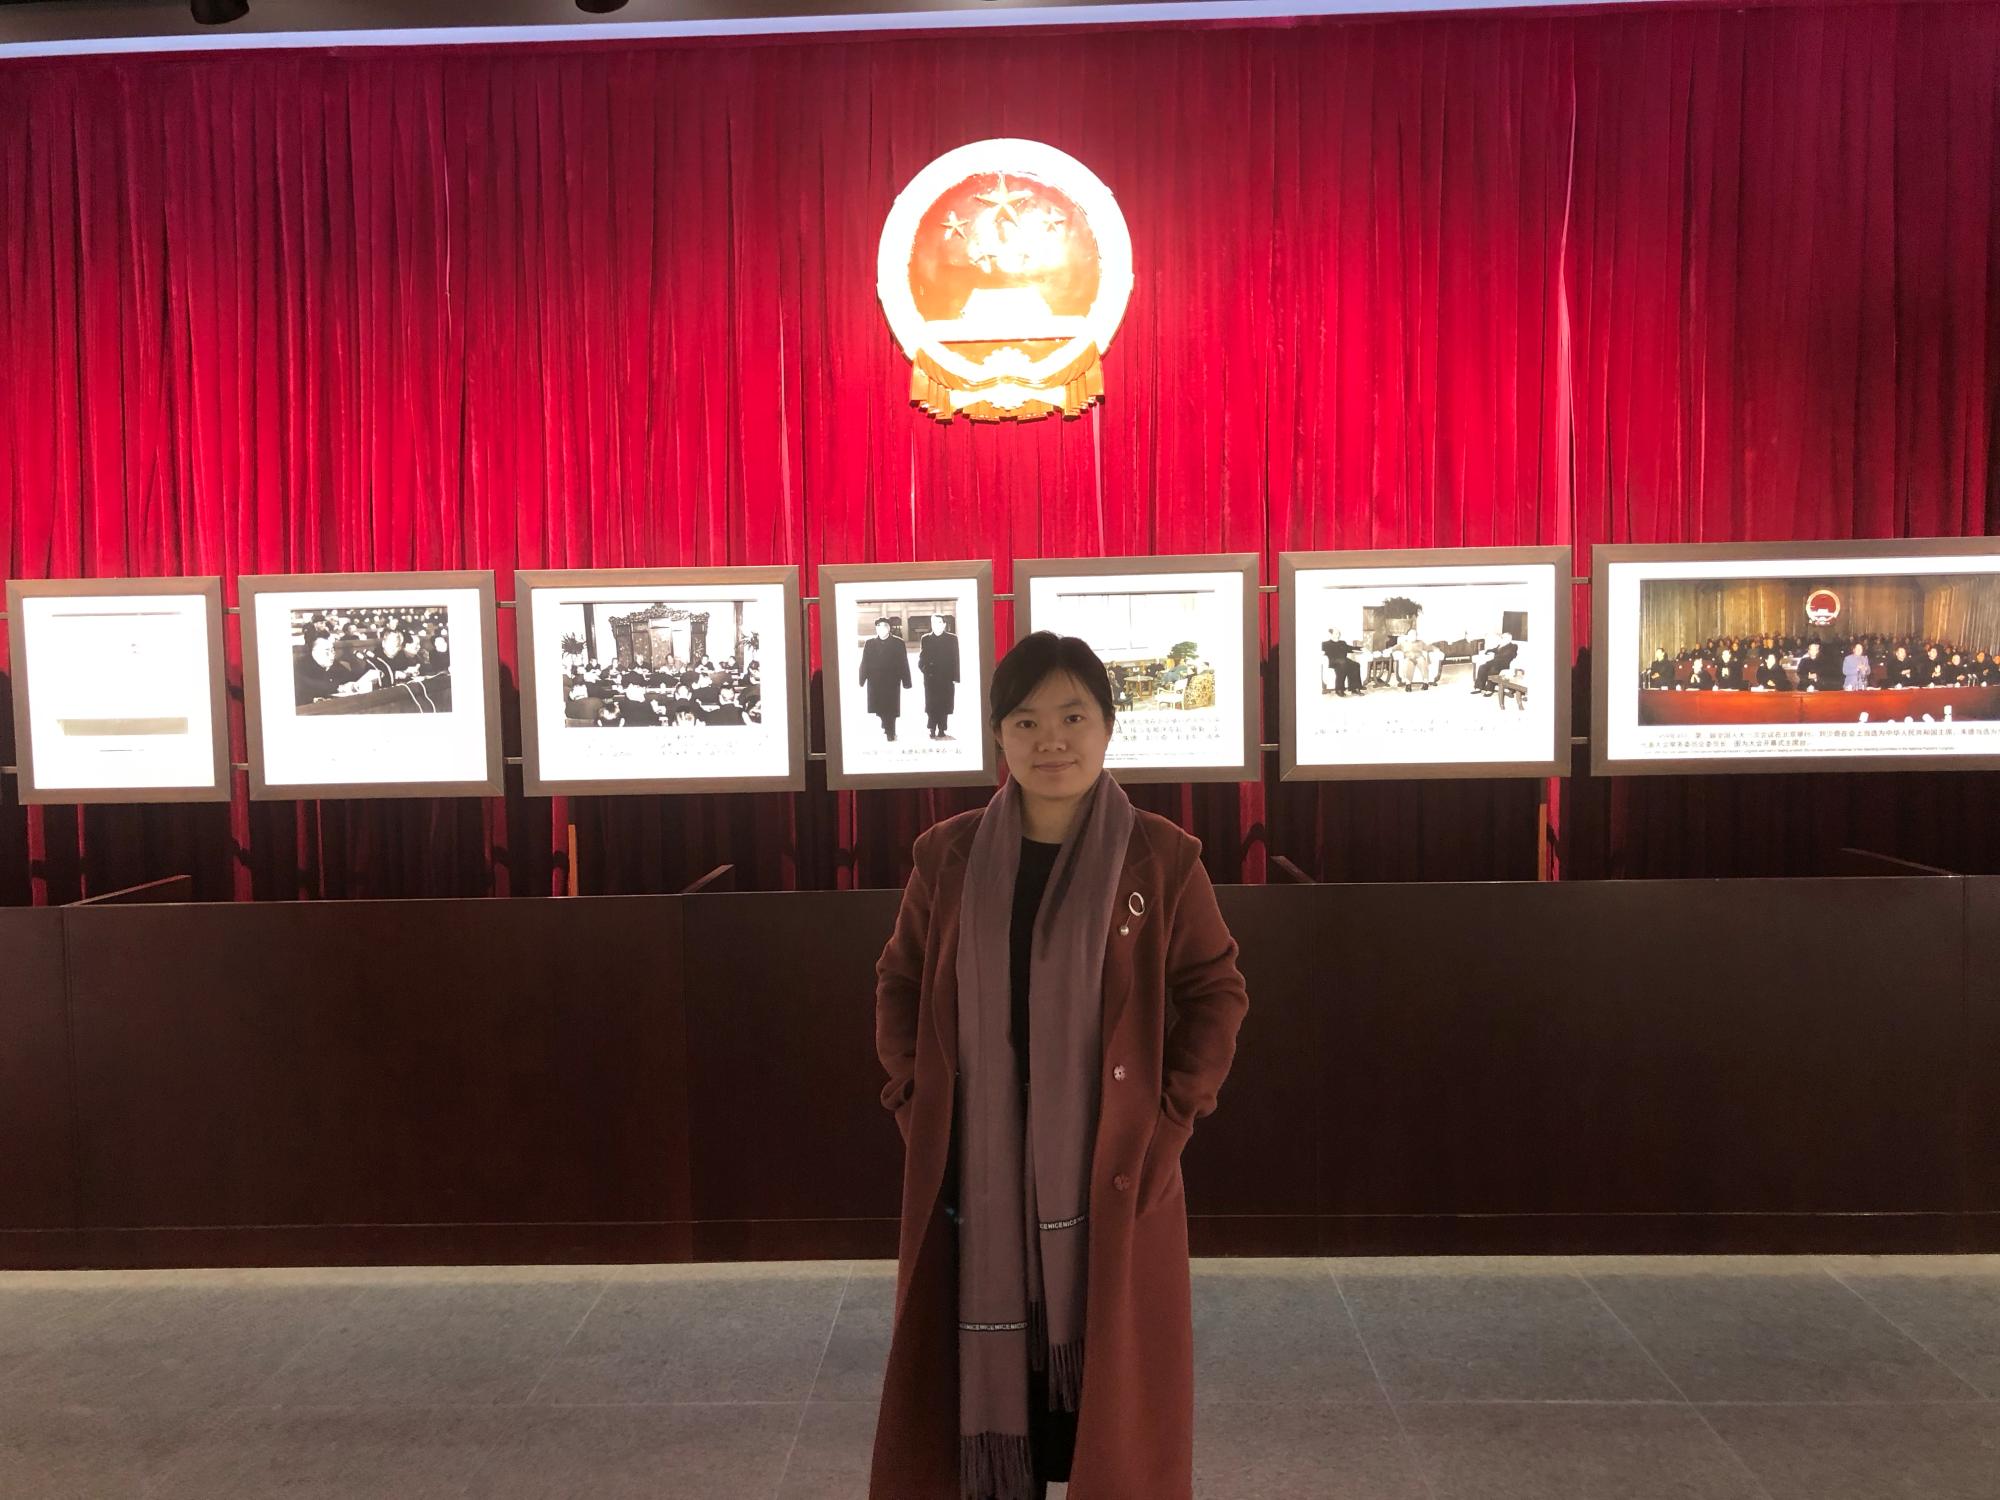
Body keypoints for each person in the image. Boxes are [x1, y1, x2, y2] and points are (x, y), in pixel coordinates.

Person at [870, 631, 1249, 1500]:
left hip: (1108, 1164)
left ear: (1108, 727)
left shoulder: (1161, 856)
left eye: (1074, 717)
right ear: (997, 736)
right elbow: (899, 980)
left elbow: (1216, 990)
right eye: (1026, 720)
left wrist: (1171, 1119)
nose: (1052, 740)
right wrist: (914, 1100)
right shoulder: (948, 855)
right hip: (978, 1167)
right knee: (965, 1374)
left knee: (1112, 1395)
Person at [860, 616, 912, 742]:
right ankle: (885, 723)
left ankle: (891, 731)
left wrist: (906, 681)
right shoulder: (870, 643)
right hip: (875, 681)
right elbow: (865, 662)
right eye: (879, 627)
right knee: (880, 708)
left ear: (889, 628)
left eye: (884, 626)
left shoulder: (898, 643)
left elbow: (903, 663)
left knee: (891, 708)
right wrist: (862, 679)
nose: (882, 629)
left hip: (892, 681)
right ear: (876, 629)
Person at [919, 613, 961, 740]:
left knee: (944, 703)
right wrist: (925, 670)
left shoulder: (952, 639)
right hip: (931, 677)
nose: (937, 625)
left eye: (939, 622)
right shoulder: (925, 638)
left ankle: (942, 728)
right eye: (934, 623)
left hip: (946, 677)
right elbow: (922, 658)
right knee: (931, 704)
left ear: (944, 624)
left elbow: (956, 658)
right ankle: (932, 728)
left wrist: (955, 677)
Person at [1321, 630, 1362, 695]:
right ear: (1331, 634)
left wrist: (1361, 648)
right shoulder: (1325, 644)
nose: (1337, 635)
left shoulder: (1342, 642)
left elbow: (1350, 648)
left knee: (1355, 665)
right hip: (1333, 661)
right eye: (1335, 633)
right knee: (1343, 664)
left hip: (1344, 660)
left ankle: (1354, 688)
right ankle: (1339, 689)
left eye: (1338, 633)